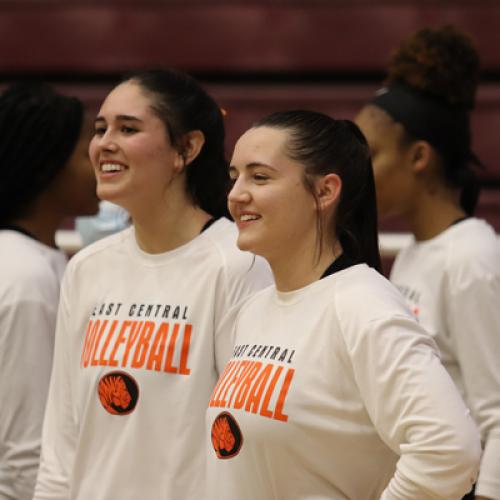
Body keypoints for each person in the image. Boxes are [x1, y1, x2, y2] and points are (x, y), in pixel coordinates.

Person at [205, 110, 481, 499]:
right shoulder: (253, 308)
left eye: (260, 176)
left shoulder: (361, 303)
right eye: (234, 177)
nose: (235, 195)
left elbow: (449, 449)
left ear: (324, 191)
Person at [33, 68, 272, 500]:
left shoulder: (238, 265)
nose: (105, 143)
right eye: (100, 129)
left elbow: (246, 441)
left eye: (128, 129)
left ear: (187, 148)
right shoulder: (87, 267)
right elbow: (62, 437)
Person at [355, 26, 500, 500]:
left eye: (370, 155)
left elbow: (497, 413)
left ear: (418, 157)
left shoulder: (472, 259)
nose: (358, 170)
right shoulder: (418, 250)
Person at [0, 82, 99, 500]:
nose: (100, 160)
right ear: (46, 167)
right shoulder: (26, 276)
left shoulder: (31, 261)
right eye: (84, 152)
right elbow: (24, 452)